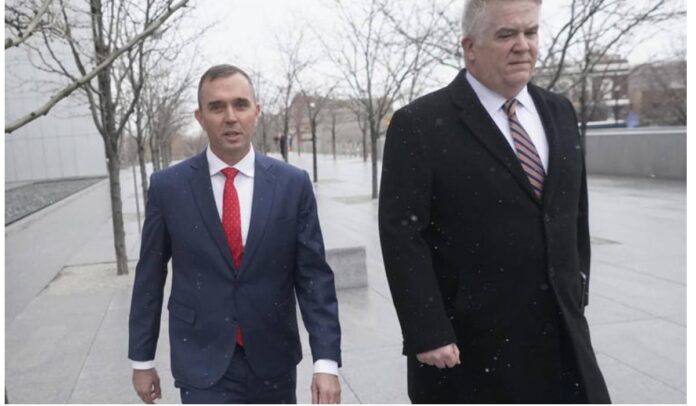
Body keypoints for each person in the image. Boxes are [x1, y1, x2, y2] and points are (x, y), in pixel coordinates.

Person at [378, 0, 611, 403]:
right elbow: (401, 234)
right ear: (470, 47)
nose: (523, 45)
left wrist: (577, 289)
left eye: (531, 32)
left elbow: (573, 212)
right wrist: (427, 329)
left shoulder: (559, 111)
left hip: (562, 336)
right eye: (506, 34)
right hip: (471, 350)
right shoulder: (417, 124)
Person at [128, 64, 342, 404]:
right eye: (217, 107)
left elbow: (314, 278)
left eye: (240, 105)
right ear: (200, 117)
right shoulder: (168, 188)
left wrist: (326, 363)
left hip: (273, 360)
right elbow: (149, 277)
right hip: (201, 360)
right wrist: (142, 360)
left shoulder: (292, 185)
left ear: (256, 112)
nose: (230, 116)